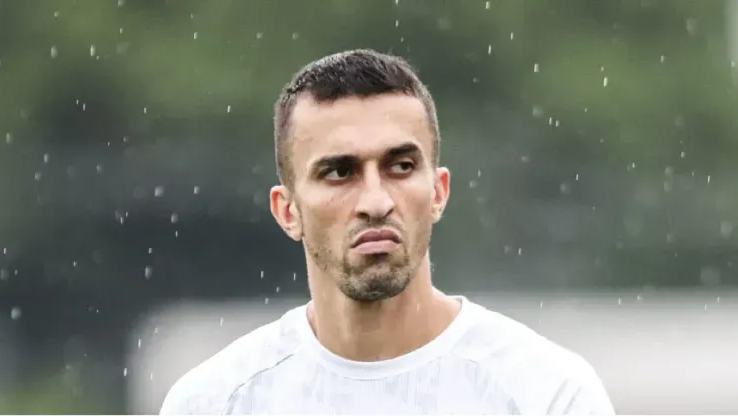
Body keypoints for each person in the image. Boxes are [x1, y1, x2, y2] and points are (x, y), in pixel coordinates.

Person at [159, 49, 615, 415]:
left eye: (401, 166)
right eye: (339, 172)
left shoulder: (548, 395)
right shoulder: (213, 402)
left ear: (438, 192)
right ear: (288, 211)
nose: (376, 201)